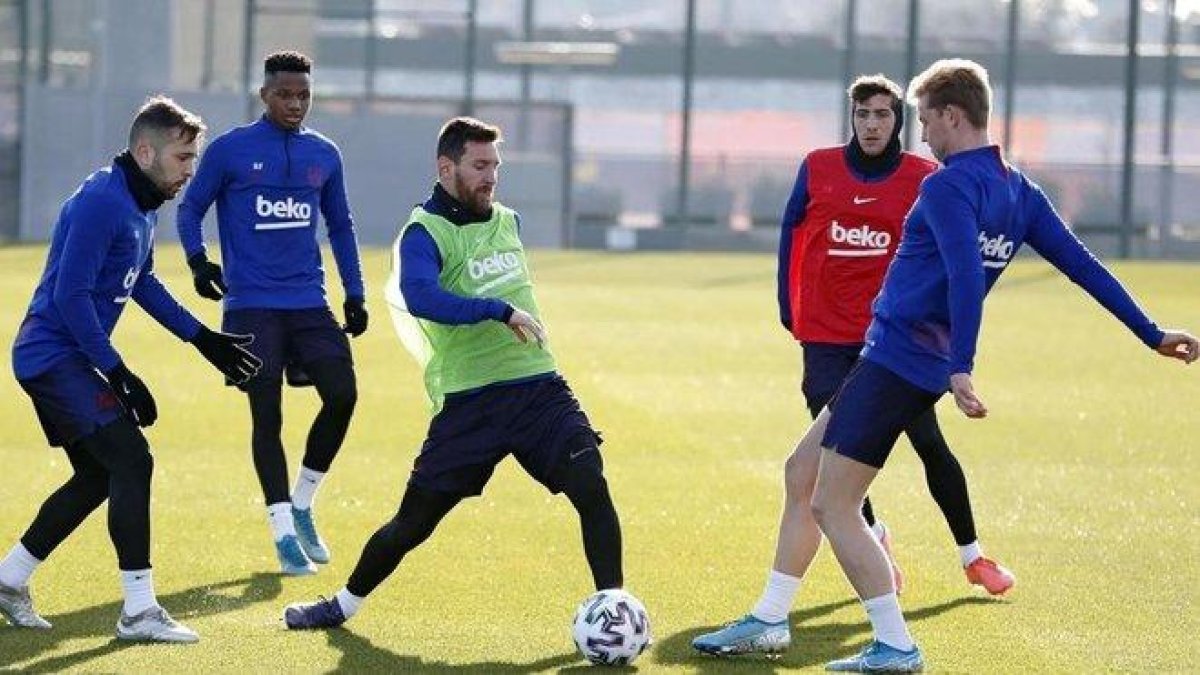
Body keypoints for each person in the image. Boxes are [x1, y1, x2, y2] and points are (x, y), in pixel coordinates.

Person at [694, 59, 1198, 673]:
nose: (923, 134)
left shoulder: (947, 186)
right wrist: (1150, 332)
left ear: (953, 116)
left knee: (833, 505)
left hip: (900, 361)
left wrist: (963, 365)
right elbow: (1083, 265)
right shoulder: (1019, 190)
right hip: (900, 360)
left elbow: (964, 274)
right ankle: (771, 619)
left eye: (927, 120)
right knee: (801, 470)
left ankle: (895, 645)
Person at [281, 116, 625, 630]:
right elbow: (422, 296)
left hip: (539, 389)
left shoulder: (507, 219)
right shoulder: (424, 232)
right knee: (412, 524)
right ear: (447, 168)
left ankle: (616, 612)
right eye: (479, 166)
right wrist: (496, 310)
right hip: (471, 403)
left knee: (591, 486)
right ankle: (342, 605)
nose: (491, 177)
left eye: (496, 166)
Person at [0, 96, 262, 642]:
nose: (191, 170)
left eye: (194, 157)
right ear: (146, 151)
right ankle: (139, 612)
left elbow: (140, 281)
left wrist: (203, 340)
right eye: (183, 157)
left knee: (99, 473)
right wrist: (117, 372)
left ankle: (8, 580)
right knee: (132, 460)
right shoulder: (103, 202)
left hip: (62, 355)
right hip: (52, 356)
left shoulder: (139, 201)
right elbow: (72, 298)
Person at [771, 74, 1014, 598]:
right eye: (863, 114)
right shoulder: (818, 168)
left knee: (927, 440)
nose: (873, 124)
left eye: (883, 114)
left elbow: (962, 254)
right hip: (827, 336)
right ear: (852, 118)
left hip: (897, 341)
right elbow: (791, 231)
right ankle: (875, 539)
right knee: (833, 452)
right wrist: (788, 304)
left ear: (899, 121)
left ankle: (973, 556)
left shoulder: (927, 178)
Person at [177, 51, 367, 576]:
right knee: (268, 416)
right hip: (252, 306)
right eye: (285, 94)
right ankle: (283, 531)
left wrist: (355, 292)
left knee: (344, 395)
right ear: (264, 95)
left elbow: (342, 226)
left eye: (303, 94)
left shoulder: (324, 155)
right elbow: (190, 209)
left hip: (309, 303)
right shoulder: (231, 150)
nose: (295, 103)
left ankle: (303, 502)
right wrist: (198, 262)